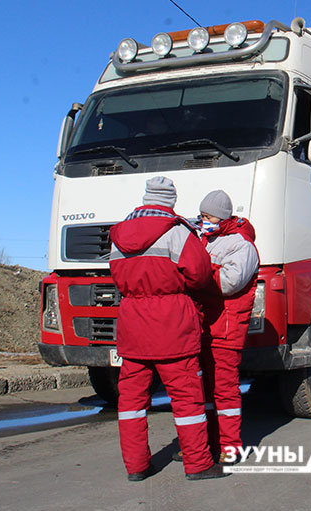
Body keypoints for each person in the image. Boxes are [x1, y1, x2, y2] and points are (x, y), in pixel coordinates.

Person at [109, 176, 227, 481]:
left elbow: (116, 277)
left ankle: (136, 467)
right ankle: (198, 464)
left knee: (131, 402)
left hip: (133, 326)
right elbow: (199, 276)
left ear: (146, 198)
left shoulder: (118, 233)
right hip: (172, 326)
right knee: (187, 399)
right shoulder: (177, 232)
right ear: (170, 201)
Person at [174, 190, 259, 465]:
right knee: (204, 391)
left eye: (208, 216)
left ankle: (230, 447)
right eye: (202, 216)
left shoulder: (242, 245)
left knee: (225, 391)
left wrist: (198, 273)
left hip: (226, 330)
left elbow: (229, 282)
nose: (203, 221)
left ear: (222, 217)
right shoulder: (207, 240)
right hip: (205, 328)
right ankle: (207, 445)